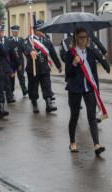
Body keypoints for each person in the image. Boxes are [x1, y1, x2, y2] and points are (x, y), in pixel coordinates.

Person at [64, 27, 107, 156]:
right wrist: (74, 63)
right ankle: (72, 142)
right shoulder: (70, 53)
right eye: (81, 37)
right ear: (76, 38)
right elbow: (68, 74)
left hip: (88, 88)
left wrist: (96, 90)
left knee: (92, 117)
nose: (83, 40)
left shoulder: (90, 52)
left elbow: (94, 73)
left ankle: (97, 145)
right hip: (75, 89)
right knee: (74, 116)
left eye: (85, 37)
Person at [24, 19, 62, 113]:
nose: (44, 32)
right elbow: (25, 46)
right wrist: (31, 51)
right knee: (33, 87)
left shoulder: (46, 41)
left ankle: (49, 104)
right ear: (36, 31)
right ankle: (35, 104)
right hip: (33, 67)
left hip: (44, 67)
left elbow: (53, 53)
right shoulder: (29, 40)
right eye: (42, 30)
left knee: (47, 86)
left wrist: (59, 65)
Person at [0, 25, 19, 104]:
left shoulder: (7, 41)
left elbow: (12, 53)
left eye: (2, 32)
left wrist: (18, 63)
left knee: (8, 82)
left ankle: (9, 98)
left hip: (6, 65)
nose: (1, 34)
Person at [8, 25, 28, 96]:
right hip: (12, 62)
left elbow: (24, 51)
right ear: (12, 32)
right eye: (15, 32)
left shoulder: (21, 40)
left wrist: (28, 58)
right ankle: (11, 91)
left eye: (17, 32)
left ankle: (24, 90)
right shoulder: (9, 40)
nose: (16, 33)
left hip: (20, 62)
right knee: (12, 77)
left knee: (21, 76)